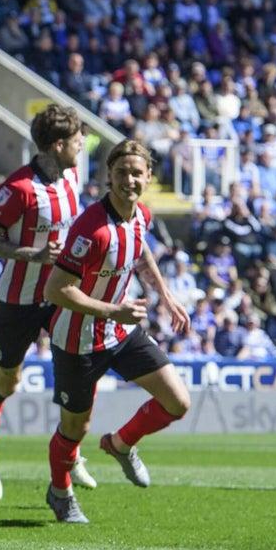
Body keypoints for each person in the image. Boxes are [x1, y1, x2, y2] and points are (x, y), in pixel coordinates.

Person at [42, 140, 192, 524]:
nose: (129, 179)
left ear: (148, 178)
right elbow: (55, 289)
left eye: (136, 173)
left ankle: (121, 443)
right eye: (121, 172)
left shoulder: (141, 215)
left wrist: (166, 294)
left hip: (120, 333)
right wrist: (115, 310)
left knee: (178, 401)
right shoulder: (90, 228)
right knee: (74, 429)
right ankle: (60, 493)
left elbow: (140, 252)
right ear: (108, 176)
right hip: (77, 340)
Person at [0, 104, 96, 501]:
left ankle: (71, 453)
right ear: (58, 145)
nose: (82, 146)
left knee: (80, 373)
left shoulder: (73, 175)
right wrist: (33, 254)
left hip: (62, 295)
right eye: (77, 141)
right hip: (18, 300)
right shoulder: (20, 189)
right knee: (9, 380)